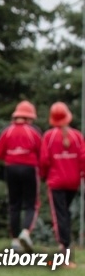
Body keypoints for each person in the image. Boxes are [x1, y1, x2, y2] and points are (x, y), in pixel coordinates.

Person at [40, 102, 85, 265]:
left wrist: (43, 176)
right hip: (73, 182)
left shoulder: (49, 136)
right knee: (65, 214)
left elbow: (44, 160)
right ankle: (65, 251)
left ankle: (64, 253)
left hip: (56, 182)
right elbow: (83, 159)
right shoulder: (77, 136)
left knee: (59, 216)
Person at [0, 100, 42, 252]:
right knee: (31, 204)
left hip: (11, 168)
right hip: (29, 168)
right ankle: (26, 232)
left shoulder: (7, 132)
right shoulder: (33, 131)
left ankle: (15, 240)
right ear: (29, 118)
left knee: (14, 205)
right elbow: (42, 153)